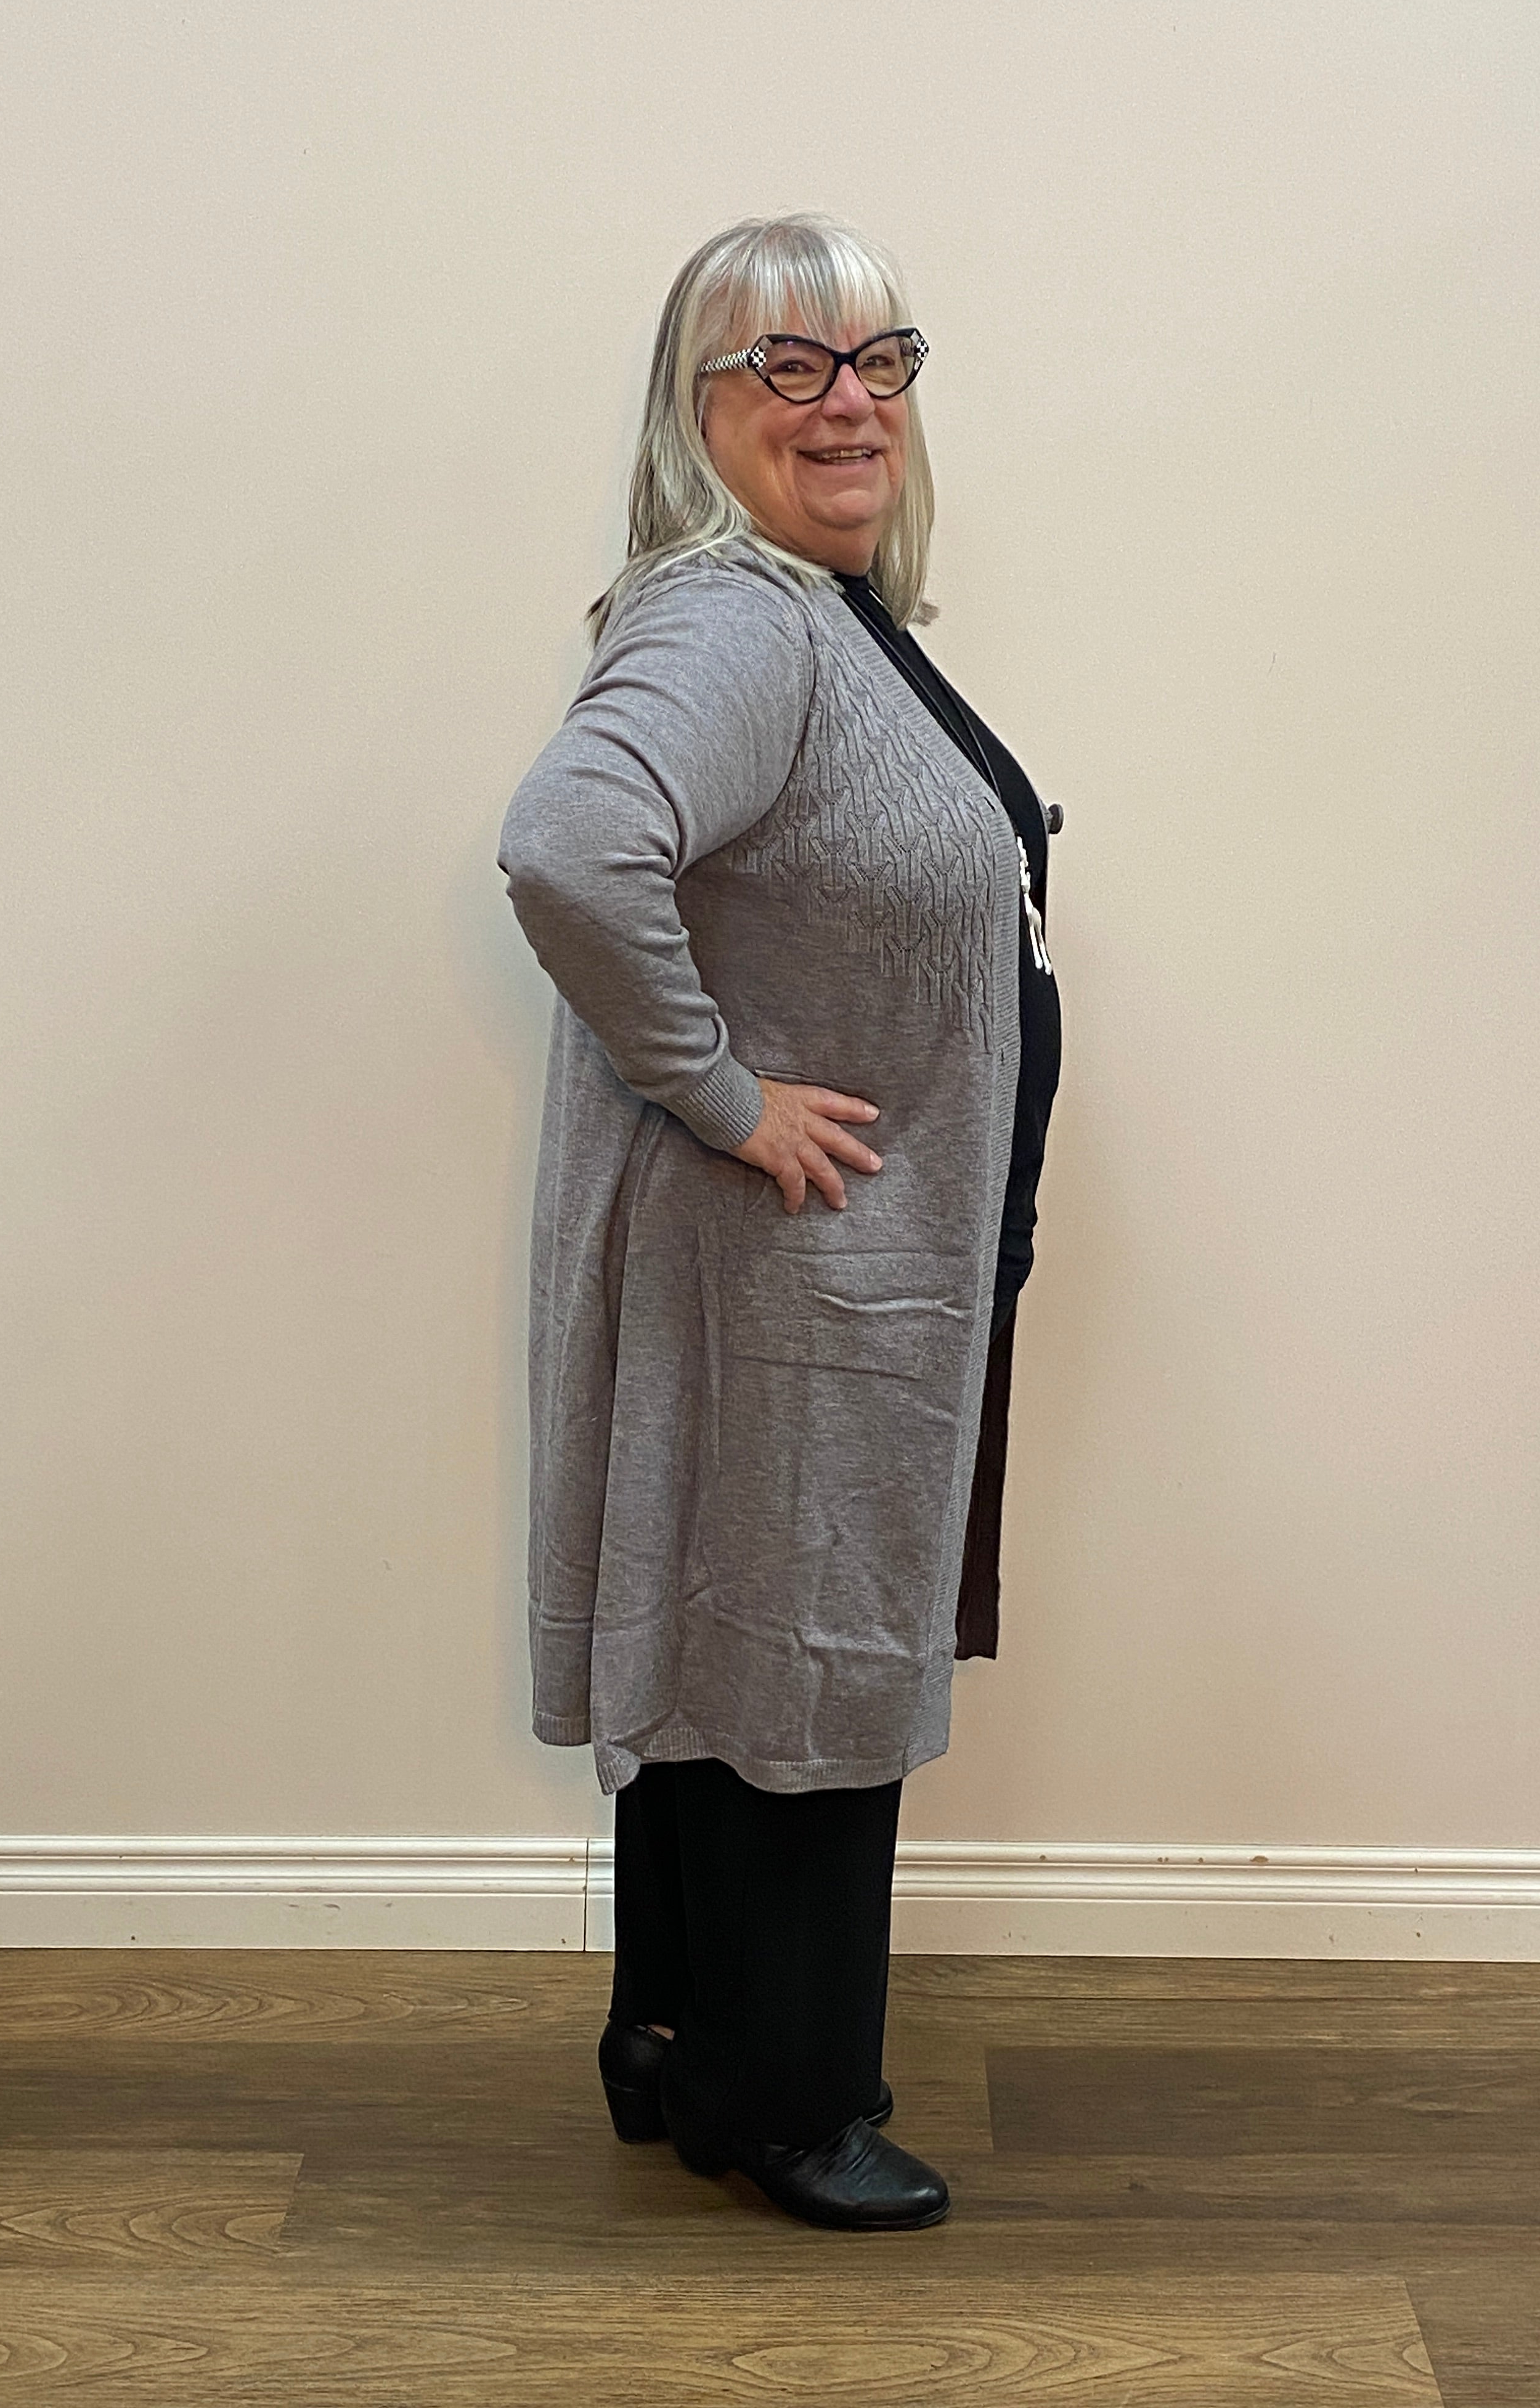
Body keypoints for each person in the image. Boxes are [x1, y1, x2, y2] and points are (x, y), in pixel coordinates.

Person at [497, 214, 1061, 2232]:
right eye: (789, 368)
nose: (850, 404)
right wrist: (728, 1098)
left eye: (879, 360)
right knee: (800, 1669)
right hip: (788, 1271)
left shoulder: (818, 617)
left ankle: (676, 2045)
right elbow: (571, 844)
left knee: (740, 1650)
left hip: (831, 1275)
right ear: (697, 410)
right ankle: (794, 2099)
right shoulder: (733, 619)